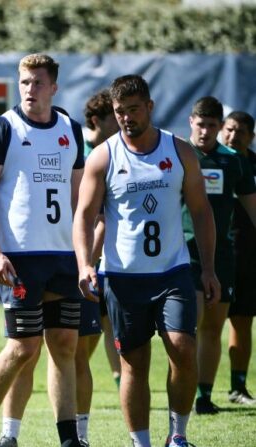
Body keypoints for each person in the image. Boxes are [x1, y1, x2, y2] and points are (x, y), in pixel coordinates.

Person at [74, 74, 218, 447]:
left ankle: (179, 434)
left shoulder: (179, 150)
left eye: (133, 110)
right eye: (120, 111)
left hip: (173, 272)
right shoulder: (103, 156)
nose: (126, 118)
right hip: (123, 278)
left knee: (183, 349)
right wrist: (85, 264)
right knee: (133, 365)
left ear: (150, 107)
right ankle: (141, 443)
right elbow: (84, 217)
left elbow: (201, 212)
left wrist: (209, 268)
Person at [0, 53, 85, 447]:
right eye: (24, 82)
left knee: (65, 345)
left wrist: (84, 253)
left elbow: (78, 199)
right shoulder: (3, 129)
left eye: (37, 82)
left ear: (54, 86)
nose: (29, 89)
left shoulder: (71, 129)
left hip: (63, 257)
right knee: (22, 348)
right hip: (20, 258)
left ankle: (68, 438)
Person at [182, 98, 256, 415]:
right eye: (201, 124)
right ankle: (182, 394)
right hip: (184, 253)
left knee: (213, 328)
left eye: (212, 125)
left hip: (222, 256)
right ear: (191, 122)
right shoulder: (178, 155)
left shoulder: (233, 162)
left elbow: (252, 207)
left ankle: (203, 396)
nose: (206, 131)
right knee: (189, 328)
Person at [81, 89, 122, 389]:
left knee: (111, 323)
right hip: (85, 256)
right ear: (97, 120)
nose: (122, 123)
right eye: (115, 117)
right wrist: (87, 260)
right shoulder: (78, 154)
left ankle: (122, 381)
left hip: (111, 256)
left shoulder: (120, 152)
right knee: (86, 331)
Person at [222, 111, 256, 406]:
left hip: (248, 258)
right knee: (200, 325)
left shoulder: (253, 166)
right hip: (213, 257)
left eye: (241, 132)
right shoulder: (206, 161)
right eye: (229, 130)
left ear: (251, 137)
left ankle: (238, 387)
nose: (233, 136)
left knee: (242, 322)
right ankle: (198, 391)